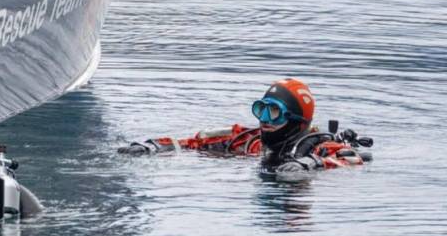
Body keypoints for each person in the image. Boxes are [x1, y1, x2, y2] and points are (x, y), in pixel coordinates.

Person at [118, 78, 373, 176]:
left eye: (273, 113)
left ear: (296, 120)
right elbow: (198, 142)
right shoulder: (248, 140)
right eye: (261, 110)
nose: (264, 120)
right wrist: (154, 147)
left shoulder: (317, 146)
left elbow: (350, 158)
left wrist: (309, 164)